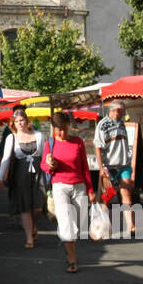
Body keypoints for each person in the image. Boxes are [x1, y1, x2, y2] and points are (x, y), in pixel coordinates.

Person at [42, 111, 95, 273]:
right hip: (60, 186)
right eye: (58, 130)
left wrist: (91, 190)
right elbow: (43, 166)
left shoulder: (78, 142)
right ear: (54, 129)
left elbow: (85, 167)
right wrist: (51, 166)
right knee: (67, 224)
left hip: (79, 186)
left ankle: (68, 242)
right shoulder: (50, 144)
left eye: (64, 129)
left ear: (69, 126)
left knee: (78, 224)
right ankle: (72, 259)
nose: (62, 133)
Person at [0, 108, 45, 248]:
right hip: (20, 173)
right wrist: (0, 177)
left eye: (21, 120)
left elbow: (42, 154)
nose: (19, 123)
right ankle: (29, 237)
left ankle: (33, 226)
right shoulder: (11, 137)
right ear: (13, 123)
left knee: (38, 207)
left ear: (27, 121)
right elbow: (5, 159)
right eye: (16, 121)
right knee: (25, 206)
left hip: (37, 172)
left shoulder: (39, 135)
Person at [94, 101, 137, 237]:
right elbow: (98, 147)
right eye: (123, 111)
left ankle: (131, 226)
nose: (125, 113)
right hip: (109, 166)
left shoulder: (121, 123)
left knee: (126, 192)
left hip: (123, 164)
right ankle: (103, 226)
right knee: (107, 196)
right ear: (116, 110)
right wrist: (101, 168)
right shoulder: (102, 125)